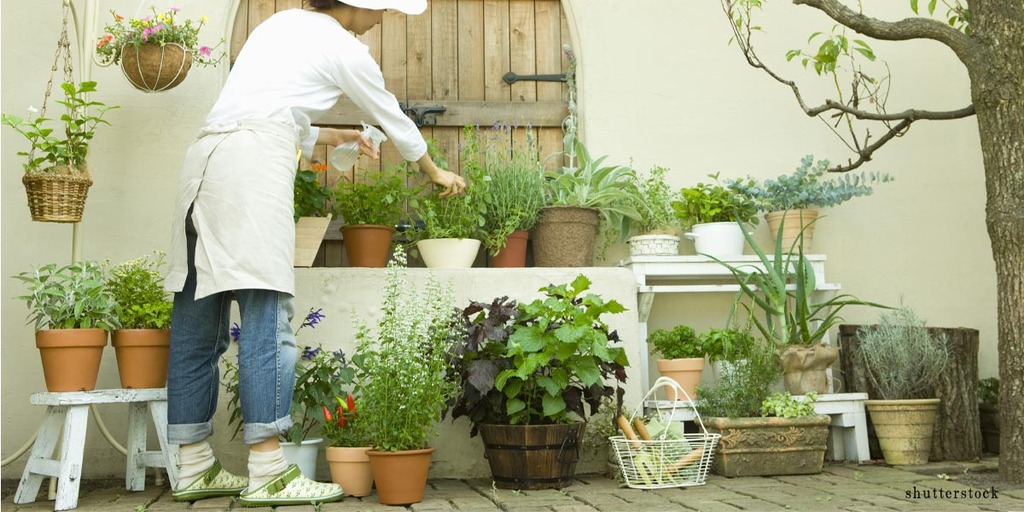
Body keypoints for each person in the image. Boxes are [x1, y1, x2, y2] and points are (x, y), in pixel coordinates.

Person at [164, 0, 464, 506]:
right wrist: (434, 171)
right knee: (266, 315)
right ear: (359, 5)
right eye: (384, 9)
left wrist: (334, 135)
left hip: (204, 163)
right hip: (251, 168)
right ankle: (267, 470)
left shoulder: (279, 25)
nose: (383, 17)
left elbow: (265, 107)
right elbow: (390, 113)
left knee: (197, 319)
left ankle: (192, 465)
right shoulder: (346, 48)